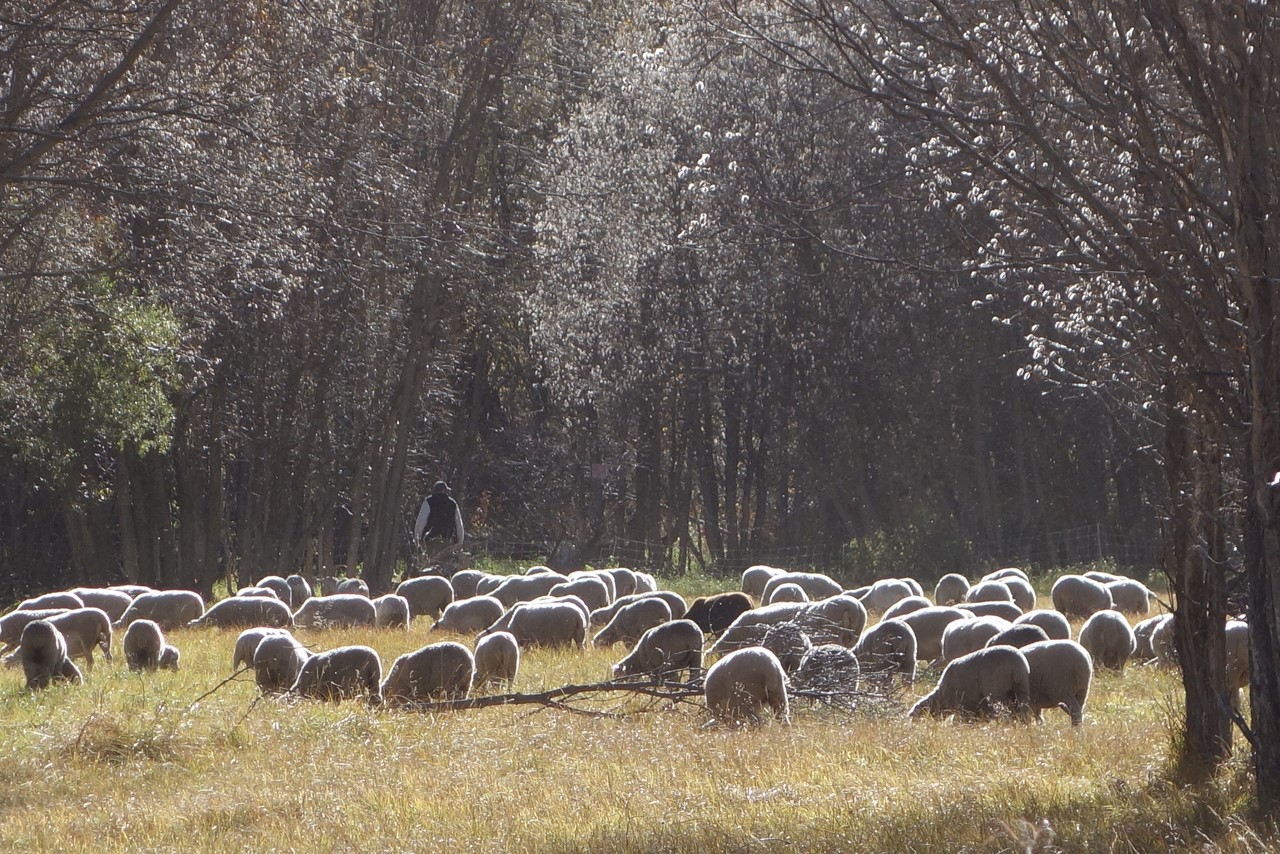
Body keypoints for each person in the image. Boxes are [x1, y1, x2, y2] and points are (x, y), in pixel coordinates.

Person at [414, 480, 465, 562]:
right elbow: (459, 525)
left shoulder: (428, 502)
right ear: (445, 490)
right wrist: (460, 542)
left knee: (430, 563)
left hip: (430, 541)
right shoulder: (453, 503)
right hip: (447, 541)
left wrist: (417, 539)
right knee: (445, 565)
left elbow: (421, 522)